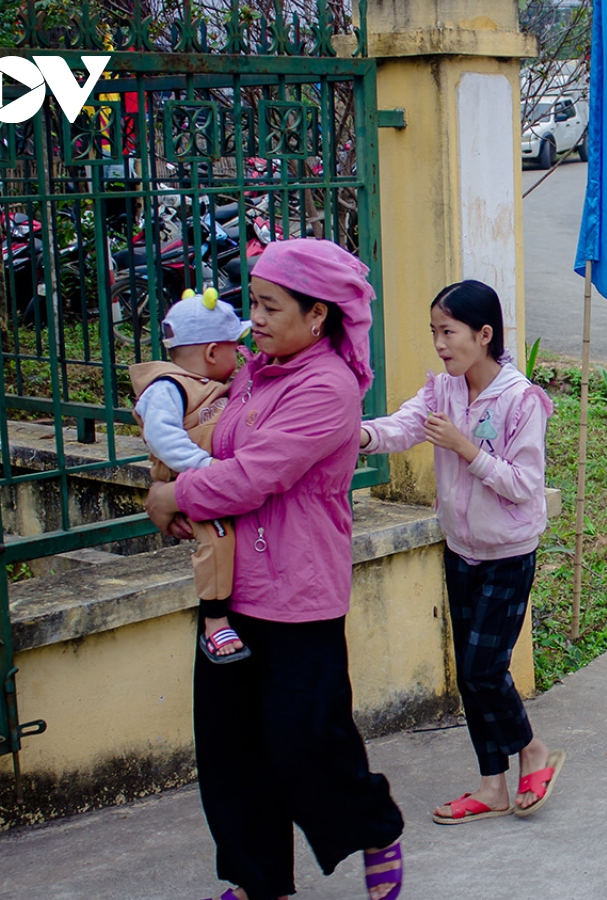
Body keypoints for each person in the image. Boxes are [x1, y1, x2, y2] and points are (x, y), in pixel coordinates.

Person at [144, 239, 404, 900]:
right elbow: (218, 452)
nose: (252, 319)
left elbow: (257, 476)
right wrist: (175, 486)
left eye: (269, 306)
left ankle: (374, 827)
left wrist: (177, 496)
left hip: (298, 593)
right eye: (252, 303)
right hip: (230, 589)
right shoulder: (255, 374)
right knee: (231, 752)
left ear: (318, 315)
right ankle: (258, 881)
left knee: (305, 746)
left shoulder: (329, 387)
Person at [359, 280, 565, 825]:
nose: (440, 344)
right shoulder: (443, 391)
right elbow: (403, 426)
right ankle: (492, 786)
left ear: (484, 334)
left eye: (448, 332)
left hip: (507, 552)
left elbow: (524, 484)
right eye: (434, 332)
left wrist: (466, 449)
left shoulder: (521, 400)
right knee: (472, 677)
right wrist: (357, 436)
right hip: (460, 548)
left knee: (481, 667)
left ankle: (531, 750)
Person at [129, 289, 248, 663]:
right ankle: (215, 619)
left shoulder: (211, 385)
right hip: (190, 480)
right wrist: (203, 468)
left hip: (209, 479)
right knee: (217, 535)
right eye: (234, 346)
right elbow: (163, 436)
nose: (241, 353)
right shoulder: (169, 386)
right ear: (212, 352)